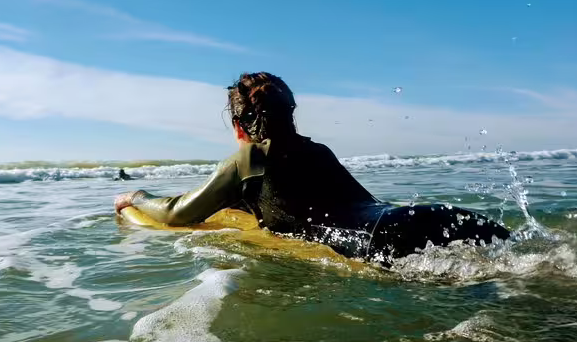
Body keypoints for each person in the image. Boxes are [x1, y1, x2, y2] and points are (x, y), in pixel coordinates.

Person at [115, 72, 510, 265]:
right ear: (291, 115)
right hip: (430, 217)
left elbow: (177, 213)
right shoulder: (318, 151)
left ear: (238, 125)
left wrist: (136, 196)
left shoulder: (247, 160)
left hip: (379, 244)